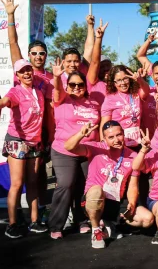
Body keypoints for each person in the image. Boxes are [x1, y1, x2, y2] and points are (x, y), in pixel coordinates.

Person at [1, 0, 54, 221]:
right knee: (20, 180)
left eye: (42, 53)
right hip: (21, 135)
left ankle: (38, 213)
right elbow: (13, 44)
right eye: (34, 53)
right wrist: (10, 16)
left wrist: (52, 135)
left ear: (46, 56)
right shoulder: (22, 71)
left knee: (39, 177)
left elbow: (53, 108)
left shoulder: (51, 78)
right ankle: (16, 220)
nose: (38, 56)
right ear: (29, 56)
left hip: (41, 134)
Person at [0, 59, 48, 238]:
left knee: (33, 182)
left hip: (35, 142)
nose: (27, 73)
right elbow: (4, 102)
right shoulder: (16, 91)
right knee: (17, 183)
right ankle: (12, 224)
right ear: (17, 76)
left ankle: (34, 221)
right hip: (17, 140)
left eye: (28, 70)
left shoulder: (39, 92)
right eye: (22, 71)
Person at [63, 121, 154, 249]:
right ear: (104, 139)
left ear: (124, 134)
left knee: (148, 219)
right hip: (93, 200)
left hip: (116, 201)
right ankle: (96, 231)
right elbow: (68, 147)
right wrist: (81, 134)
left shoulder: (133, 156)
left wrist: (132, 205)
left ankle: (111, 225)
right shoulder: (96, 148)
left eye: (119, 135)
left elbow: (133, 186)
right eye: (111, 137)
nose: (116, 140)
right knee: (96, 191)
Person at [48, 60, 100, 239]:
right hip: (65, 151)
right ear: (67, 87)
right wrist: (56, 77)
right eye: (73, 85)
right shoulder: (62, 99)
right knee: (65, 184)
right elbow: (57, 90)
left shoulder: (93, 103)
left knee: (84, 187)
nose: (77, 87)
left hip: (87, 151)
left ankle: (82, 220)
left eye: (80, 84)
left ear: (85, 86)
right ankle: (56, 225)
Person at [100, 65, 149, 146]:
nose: (122, 83)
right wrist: (104, 145)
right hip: (119, 143)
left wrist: (140, 80)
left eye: (125, 79)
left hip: (138, 142)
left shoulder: (136, 93)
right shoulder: (110, 99)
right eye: (118, 80)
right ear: (114, 83)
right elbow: (104, 125)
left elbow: (146, 91)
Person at [86, 18, 112, 105]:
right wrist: (99, 38)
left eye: (107, 65)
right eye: (102, 66)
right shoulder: (92, 82)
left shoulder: (118, 85)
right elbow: (94, 62)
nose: (105, 69)